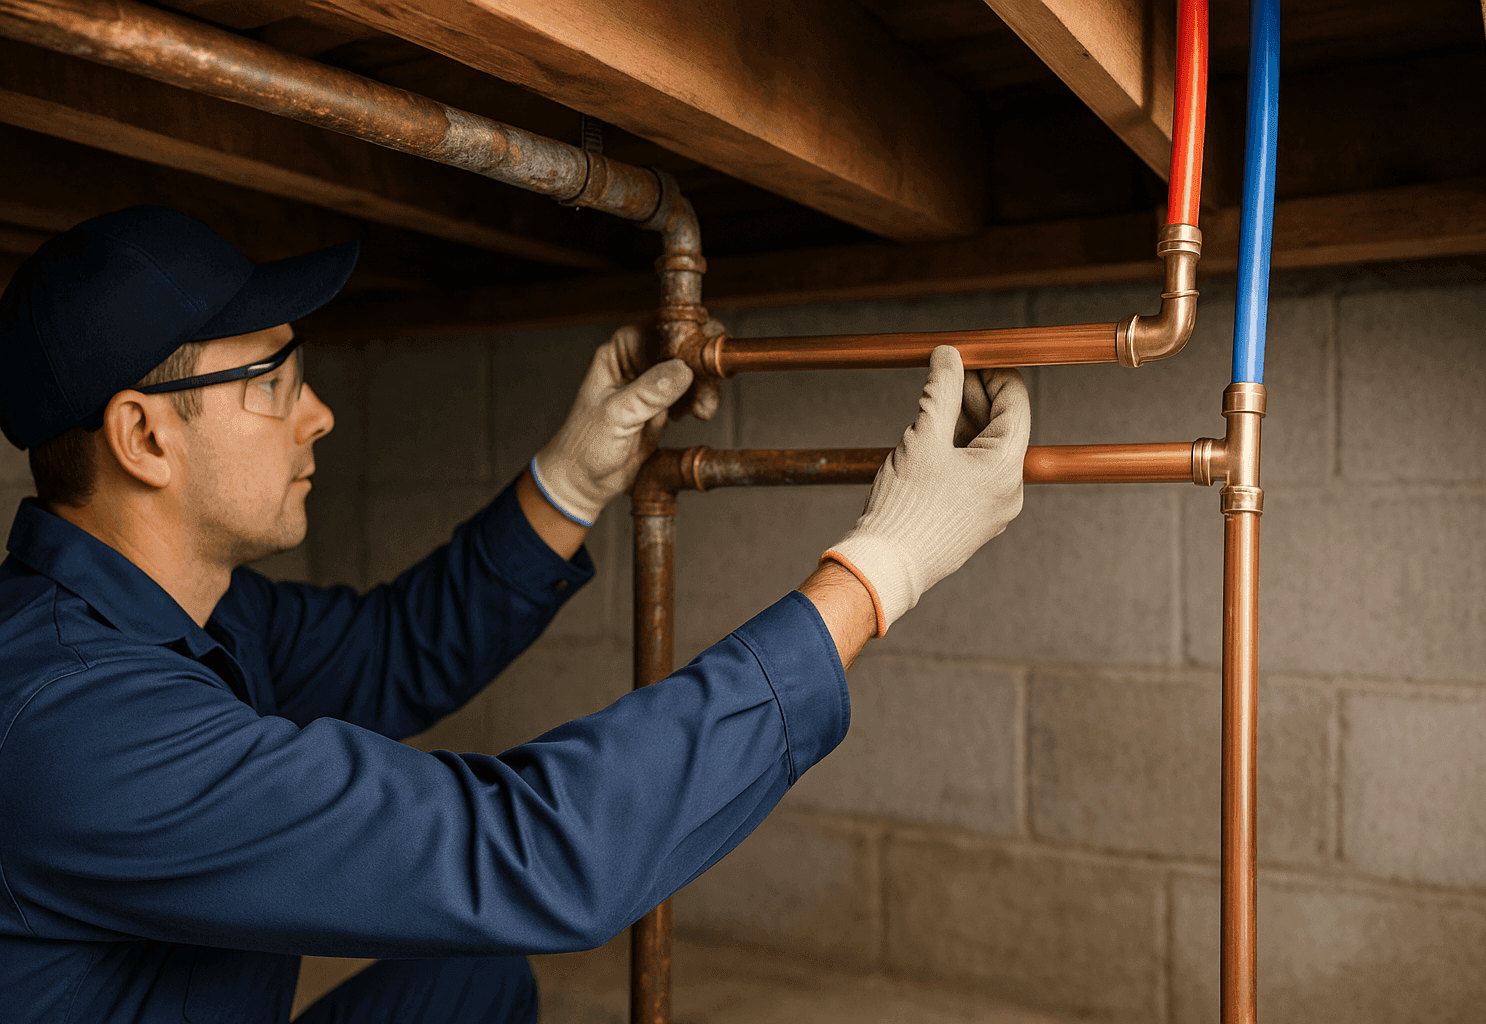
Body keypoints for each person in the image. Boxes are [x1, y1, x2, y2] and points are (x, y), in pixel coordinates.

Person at [0, 207, 1031, 1024]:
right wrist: (878, 572)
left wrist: (569, 481)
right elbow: (524, 851)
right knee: (501, 910)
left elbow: (389, 651)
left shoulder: (181, 615)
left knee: (470, 983)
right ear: (143, 438)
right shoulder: (78, 721)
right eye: (275, 380)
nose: (317, 410)